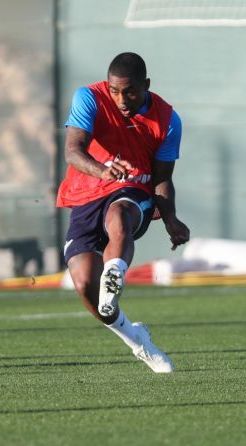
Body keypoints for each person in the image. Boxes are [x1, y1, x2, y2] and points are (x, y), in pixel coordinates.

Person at [56, 52, 190, 373]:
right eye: (115, 91)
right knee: (84, 283)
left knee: (119, 215)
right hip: (87, 193)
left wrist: (170, 219)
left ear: (146, 85)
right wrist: (102, 170)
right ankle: (136, 340)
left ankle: (114, 274)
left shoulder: (167, 120)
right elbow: (73, 150)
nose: (121, 100)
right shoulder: (89, 98)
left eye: (129, 92)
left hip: (134, 189)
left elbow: (162, 178)